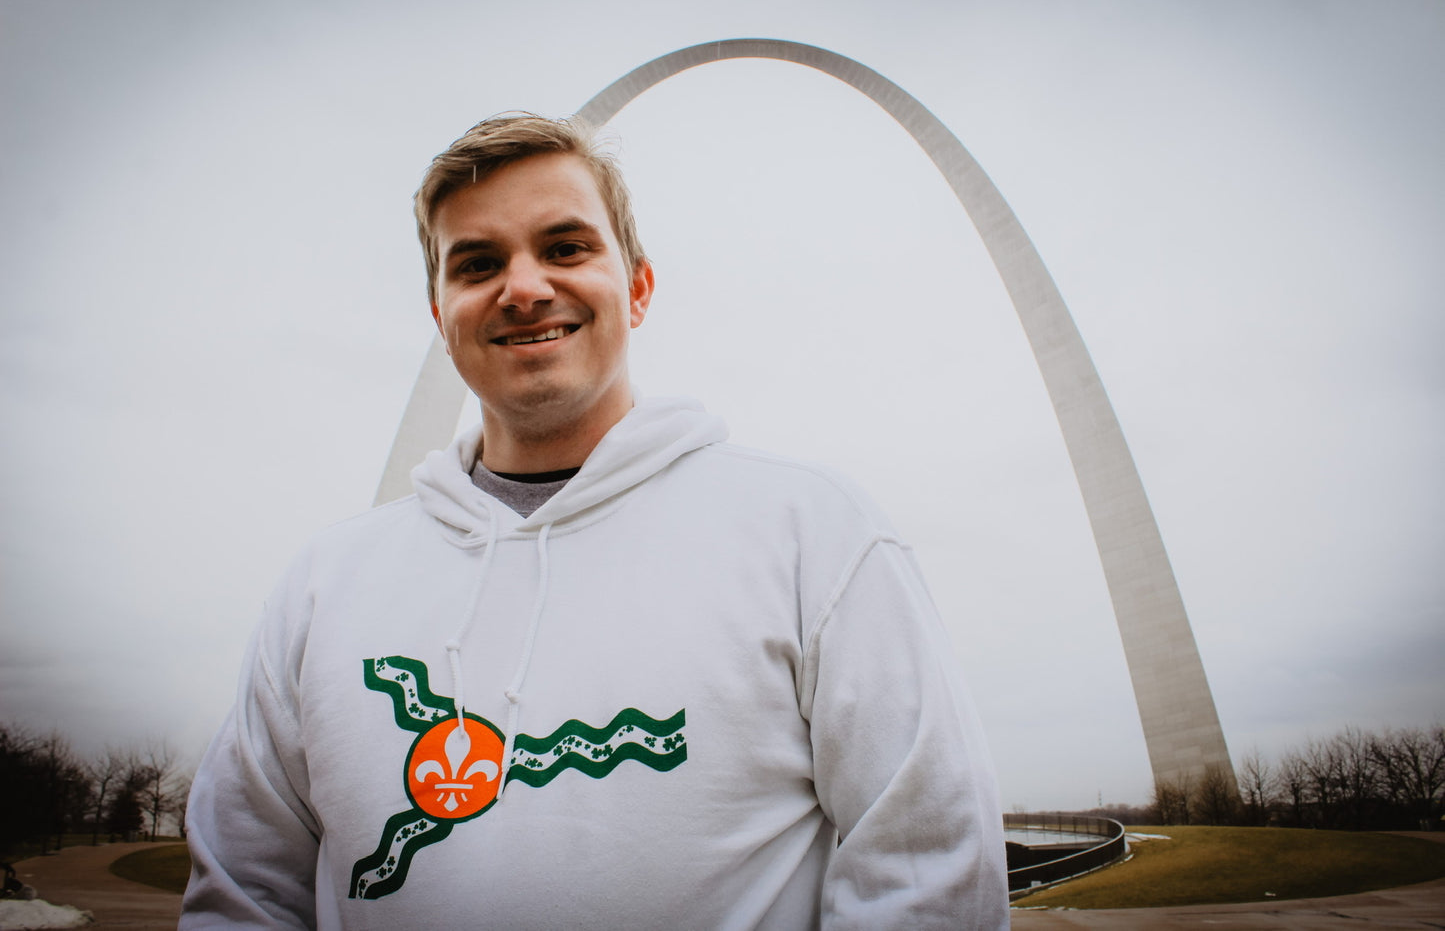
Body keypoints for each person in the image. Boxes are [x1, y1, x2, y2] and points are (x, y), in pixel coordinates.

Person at [181, 113, 1008, 929]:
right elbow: (245, 888)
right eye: (476, 263)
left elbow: (925, 867)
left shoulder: (813, 535)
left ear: (638, 287)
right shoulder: (326, 586)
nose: (524, 287)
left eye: (565, 247)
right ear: (440, 317)